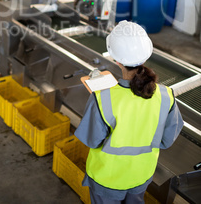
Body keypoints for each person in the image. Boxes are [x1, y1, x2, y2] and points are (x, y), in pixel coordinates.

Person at [75, 20, 184, 204]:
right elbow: (165, 141)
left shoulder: (103, 98)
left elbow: (92, 140)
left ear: (116, 60)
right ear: (146, 55)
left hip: (107, 179)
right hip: (141, 176)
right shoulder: (166, 96)